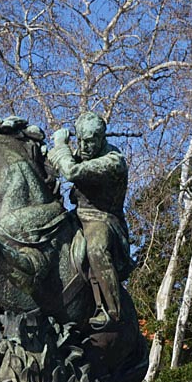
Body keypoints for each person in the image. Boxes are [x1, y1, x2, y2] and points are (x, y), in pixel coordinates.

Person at [48, 112, 133, 329]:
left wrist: (60, 145)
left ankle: (112, 311)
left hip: (102, 219)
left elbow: (72, 171)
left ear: (102, 139)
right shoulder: (83, 152)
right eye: (81, 140)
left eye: (90, 142)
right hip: (77, 214)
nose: (84, 147)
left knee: (96, 249)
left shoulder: (113, 161)